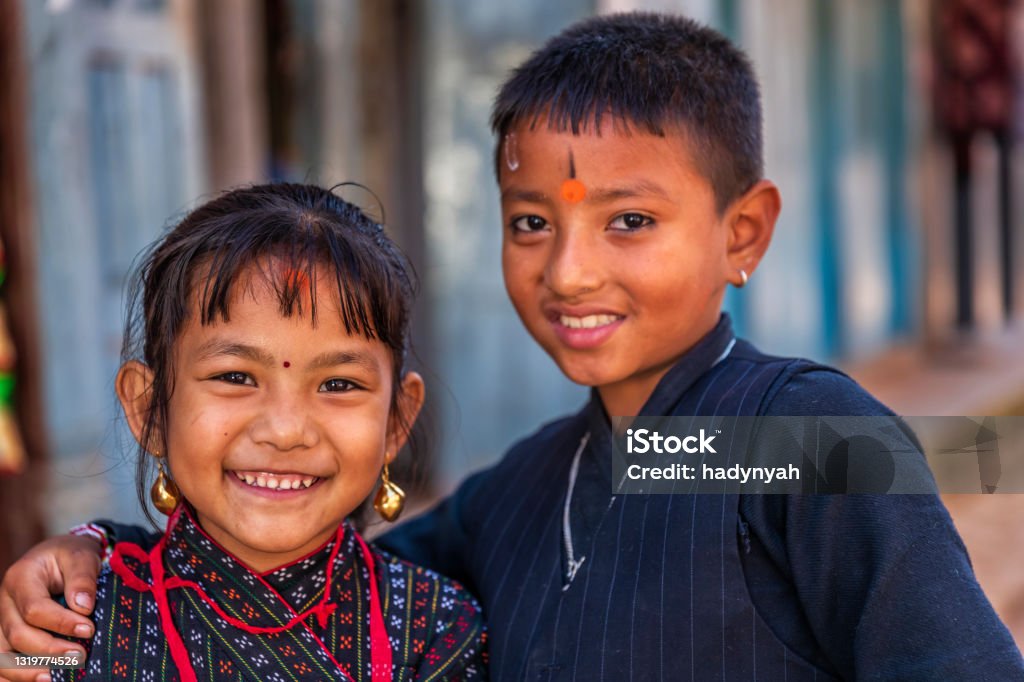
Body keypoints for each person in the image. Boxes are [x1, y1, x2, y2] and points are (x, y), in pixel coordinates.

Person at [3, 12, 1023, 681]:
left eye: (629, 221)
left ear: (742, 232)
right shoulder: (532, 486)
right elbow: (283, 560)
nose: (568, 270)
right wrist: (95, 556)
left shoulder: (792, 434)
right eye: (531, 221)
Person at [1, 183, 486, 681]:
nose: (284, 430)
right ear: (149, 409)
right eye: (235, 377)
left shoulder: (435, 629)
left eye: (338, 383)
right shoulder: (64, 628)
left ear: (396, 420)